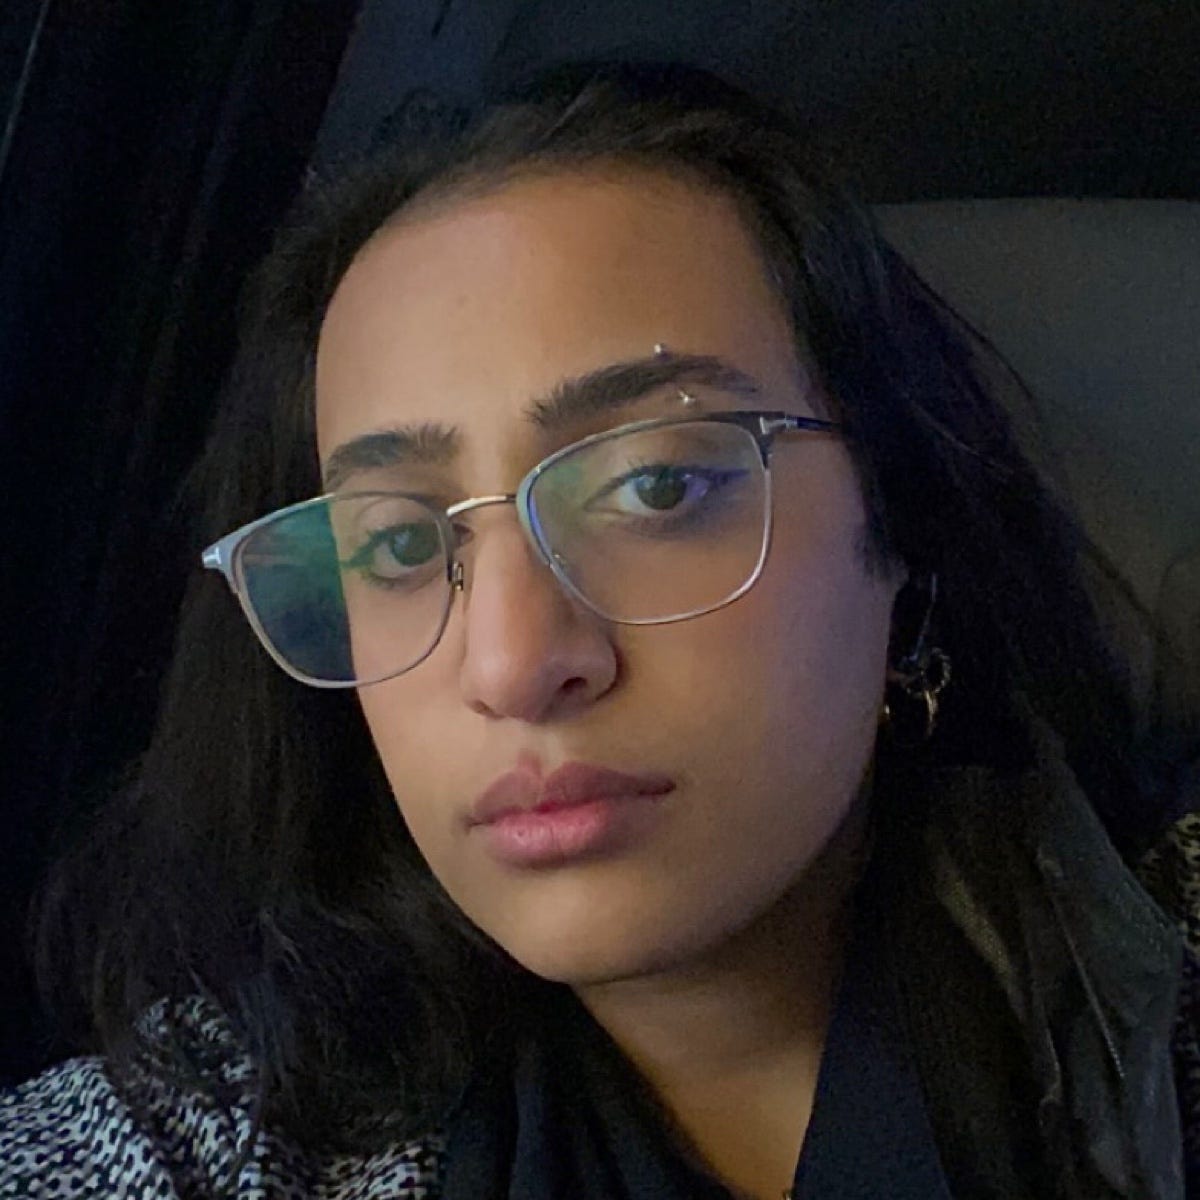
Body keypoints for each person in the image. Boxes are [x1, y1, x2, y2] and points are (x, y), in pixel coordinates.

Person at [2, 59, 1197, 1200]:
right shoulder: (218, 1129)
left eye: (656, 487)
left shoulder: (1155, 988)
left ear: (900, 525)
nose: (513, 664)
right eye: (399, 546)